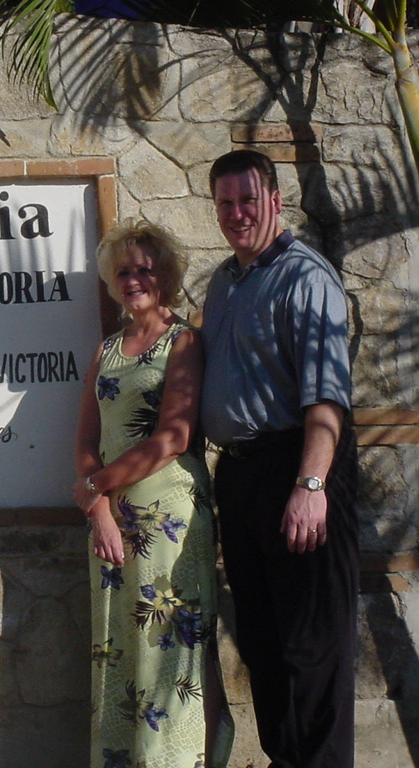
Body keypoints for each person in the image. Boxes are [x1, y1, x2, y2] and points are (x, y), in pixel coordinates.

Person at [200, 149, 358, 768]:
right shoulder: (224, 283)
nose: (237, 214)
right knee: (263, 642)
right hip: (241, 476)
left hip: (300, 467)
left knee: (312, 645)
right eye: (225, 203)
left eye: (248, 200)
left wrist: (311, 483)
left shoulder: (305, 277)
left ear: (275, 200)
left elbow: (327, 395)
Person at [74, 219, 231, 768]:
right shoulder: (107, 350)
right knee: (120, 648)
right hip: (113, 530)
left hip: (171, 520)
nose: (134, 279)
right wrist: (99, 513)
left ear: (164, 275)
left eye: (144, 269)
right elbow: (86, 442)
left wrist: (95, 485)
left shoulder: (182, 340)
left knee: (173, 653)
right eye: (124, 271)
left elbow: (174, 437)